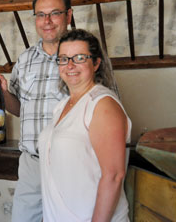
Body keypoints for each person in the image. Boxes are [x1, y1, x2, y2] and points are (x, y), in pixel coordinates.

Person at [0, 0, 73, 222]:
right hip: (31, 164)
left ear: (68, 15)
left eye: (54, 13)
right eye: (40, 15)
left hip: (70, 164)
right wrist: (4, 93)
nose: (47, 21)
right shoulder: (24, 60)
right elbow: (19, 110)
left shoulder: (81, 57)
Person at [38, 29, 131, 222]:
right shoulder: (62, 106)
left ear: (96, 63)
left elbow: (113, 176)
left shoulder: (102, 104)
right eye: (63, 59)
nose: (70, 65)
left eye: (79, 57)